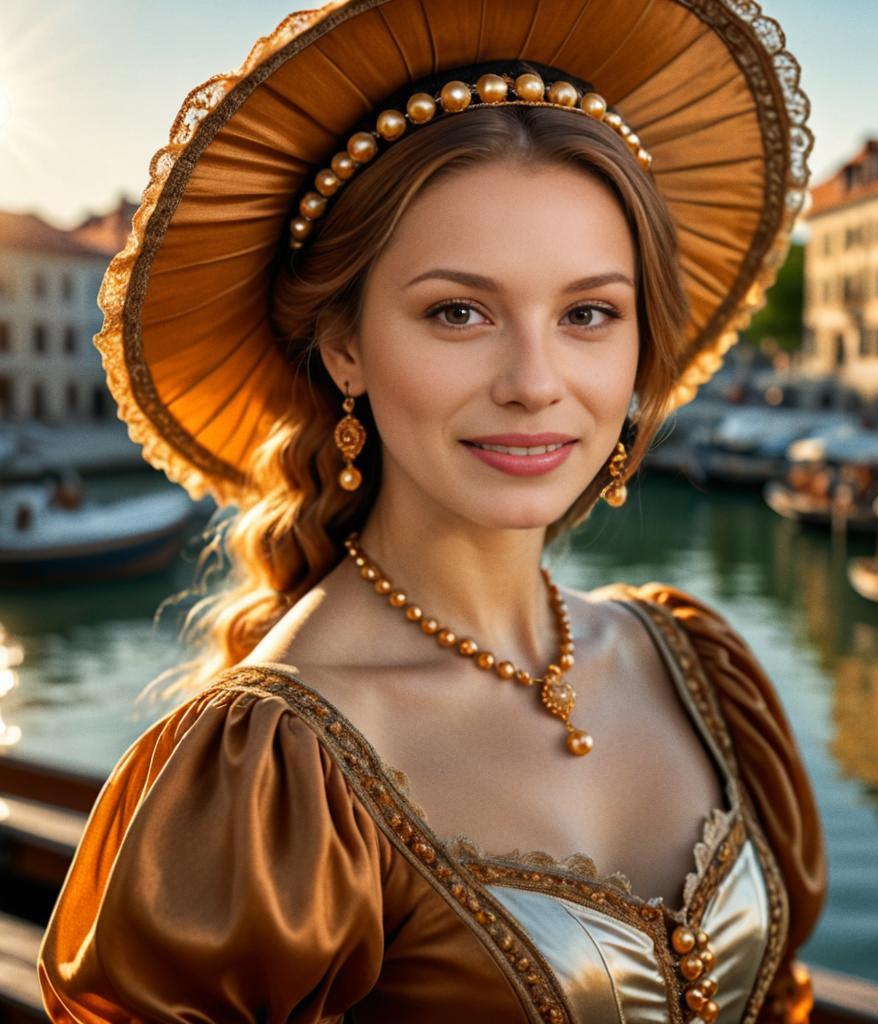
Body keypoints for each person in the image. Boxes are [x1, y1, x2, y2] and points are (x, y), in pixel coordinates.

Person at [38, 1, 824, 1021]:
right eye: (459, 312)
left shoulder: (698, 666)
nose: (536, 382)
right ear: (345, 346)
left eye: (588, 313)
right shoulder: (273, 768)